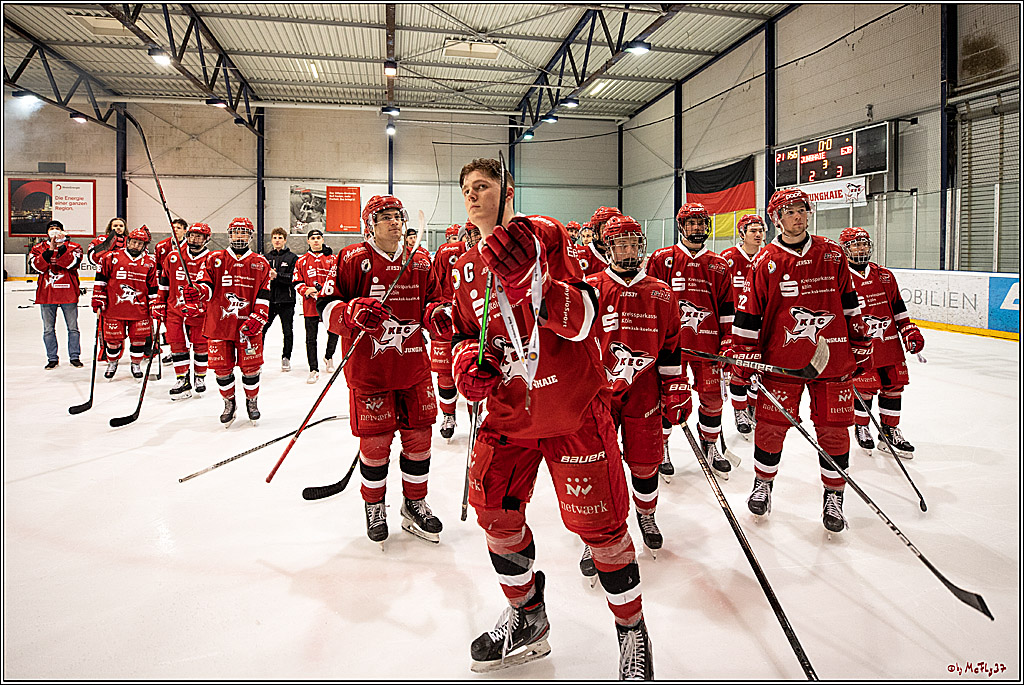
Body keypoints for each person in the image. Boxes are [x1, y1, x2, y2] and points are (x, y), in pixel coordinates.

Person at [451, 159, 652, 679]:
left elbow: (586, 319)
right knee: (494, 516)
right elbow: (464, 336)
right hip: (508, 416)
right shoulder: (464, 264)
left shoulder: (546, 235)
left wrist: (533, 286)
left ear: (507, 191)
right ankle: (527, 618)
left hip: (571, 410)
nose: (473, 196)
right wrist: (467, 365)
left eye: (483, 186)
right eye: (466, 189)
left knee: (601, 528)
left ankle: (631, 631)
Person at [732, 189, 873, 533]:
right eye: (789, 212)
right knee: (770, 426)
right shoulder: (766, 260)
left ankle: (834, 497)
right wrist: (745, 354)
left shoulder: (832, 253)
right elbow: (749, 312)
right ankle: (763, 483)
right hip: (782, 361)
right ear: (777, 219)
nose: (797, 216)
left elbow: (849, 301)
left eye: (801, 210)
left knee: (835, 430)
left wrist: (859, 339)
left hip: (833, 358)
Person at [316, 194, 447, 545]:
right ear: (369, 225)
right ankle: (374, 505)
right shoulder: (352, 258)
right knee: (375, 444)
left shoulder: (420, 260)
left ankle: (414, 503)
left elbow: (434, 300)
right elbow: (325, 305)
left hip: (413, 367)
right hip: (369, 370)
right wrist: (350, 313)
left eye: (397, 216)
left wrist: (437, 315)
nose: (394, 222)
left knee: (419, 439)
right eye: (385, 217)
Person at [583, 215, 682, 572]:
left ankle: (646, 514)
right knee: (598, 463)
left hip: (644, 388)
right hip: (599, 391)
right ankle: (597, 534)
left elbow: (671, 346)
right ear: (608, 248)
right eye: (620, 245)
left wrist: (675, 388)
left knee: (645, 460)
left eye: (632, 244)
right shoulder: (590, 287)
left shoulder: (660, 292)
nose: (627, 251)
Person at [647, 203, 734, 481]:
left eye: (701, 222)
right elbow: (650, 303)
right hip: (671, 347)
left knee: (713, 398)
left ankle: (710, 444)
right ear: (681, 226)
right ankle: (661, 447)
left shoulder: (718, 264)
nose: (697, 227)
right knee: (667, 398)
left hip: (708, 347)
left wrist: (728, 339)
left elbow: (727, 307)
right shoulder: (662, 259)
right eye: (691, 223)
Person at [839, 227, 924, 457]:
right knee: (864, 388)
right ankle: (862, 426)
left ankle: (890, 430)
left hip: (889, 344)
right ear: (845, 249)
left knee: (894, 386)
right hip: (860, 346)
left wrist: (908, 330)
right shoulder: (840, 277)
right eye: (856, 245)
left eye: (864, 244)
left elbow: (898, 307)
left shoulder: (884, 275)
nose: (861, 249)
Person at [183, 217, 271, 427]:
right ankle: (229, 403)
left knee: (251, 368)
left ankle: (252, 401)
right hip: (219, 324)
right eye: (235, 232)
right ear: (229, 235)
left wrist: (259, 316)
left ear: (250, 236)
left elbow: (264, 293)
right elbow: (206, 286)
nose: (239, 236)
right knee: (222, 368)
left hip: (248, 325)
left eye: (243, 232)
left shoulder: (260, 262)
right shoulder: (214, 259)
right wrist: (198, 292)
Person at [719, 214, 767, 438]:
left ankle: (752, 407)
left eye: (760, 231)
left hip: (763, 325)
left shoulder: (768, 256)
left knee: (760, 371)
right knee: (740, 370)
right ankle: (740, 411)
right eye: (753, 231)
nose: (758, 235)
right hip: (737, 326)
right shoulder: (728, 258)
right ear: (742, 233)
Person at [153, 223, 212, 400]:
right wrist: (159, 302)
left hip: (201, 311)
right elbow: (164, 283)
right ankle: (182, 379)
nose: (194, 239)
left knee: (201, 344)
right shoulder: (173, 257)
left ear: (206, 239)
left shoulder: (211, 259)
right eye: (192, 235)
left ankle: (200, 377)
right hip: (175, 309)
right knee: (176, 343)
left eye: (199, 236)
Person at [91, 227, 159, 380]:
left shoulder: (150, 262)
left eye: (140, 243)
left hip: (139, 310)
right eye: (134, 242)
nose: (136, 245)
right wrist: (98, 299)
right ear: (128, 242)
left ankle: (136, 364)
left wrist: (155, 304)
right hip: (114, 308)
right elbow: (101, 279)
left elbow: (153, 287)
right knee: (112, 341)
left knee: (139, 340)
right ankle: (112, 363)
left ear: (144, 246)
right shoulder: (111, 257)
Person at [429, 220, 468, 439]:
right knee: (445, 373)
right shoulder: (447, 252)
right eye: (470, 233)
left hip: (476, 321)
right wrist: (434, 310)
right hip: (447, 319)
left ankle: (477, 418)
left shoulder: (490, 251)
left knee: (477, 371)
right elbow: (433, 285)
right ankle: (448, 415)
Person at [30, 220, 84, 369]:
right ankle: (52, 358)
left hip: (68, 293)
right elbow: (37, 267)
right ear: (47, 232)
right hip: (47, 294)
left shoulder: (74, 247)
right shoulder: (37, 248)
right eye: (51, 228)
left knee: (73, 328)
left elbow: (72, 264)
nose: (54, 230)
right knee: (48, 329)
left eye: (57, 228)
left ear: (62, 231)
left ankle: (74, 357)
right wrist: (49, 251)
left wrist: (61, 248)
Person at [293, 228, 338, 383]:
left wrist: (322, 289)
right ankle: (313, 369)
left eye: (318, 238)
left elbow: (337, 279)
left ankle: (329, 356)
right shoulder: (301, 261)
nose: (316, 241)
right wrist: (306, 290)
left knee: (334, 332)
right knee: (311, 338)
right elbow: (296, 281)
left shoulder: (332, 259)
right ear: (308, 241)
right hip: (310, 305)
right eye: (313, 238)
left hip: (328, 303)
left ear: (323, 240)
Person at [154, 218, 189, 365]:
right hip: (167, 287)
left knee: (187, 323)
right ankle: (173, 350)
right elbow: (157, 268)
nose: (176, 230)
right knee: (169, 323)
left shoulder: (190, 247)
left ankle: (189, 349)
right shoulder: (161, 246)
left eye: (179, 228)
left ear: (185, 231)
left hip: (183, 289)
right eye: (173, 227)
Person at [264, 226, 298, 371]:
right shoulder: (266, 258)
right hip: (270, 301)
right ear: (271, 240)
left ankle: (286, 358)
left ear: (285, 240)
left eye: (280, 238)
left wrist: (277, 276)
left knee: (287, 331)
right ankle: (257, 356)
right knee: (261, 329)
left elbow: (294, 278)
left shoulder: (292, 258)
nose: (277, 240)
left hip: (286, 301)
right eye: (275, 238)